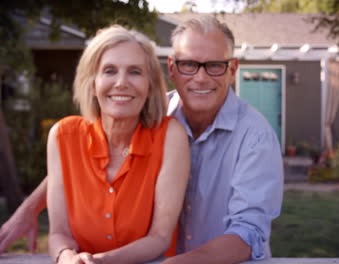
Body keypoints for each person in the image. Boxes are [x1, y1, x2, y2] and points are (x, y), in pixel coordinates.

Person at [0, 16, 283, 264]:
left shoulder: (254, 137)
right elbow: (80, 164)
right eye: (188, 65)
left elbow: (248, 233)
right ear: (171, 69)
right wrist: (32, 206)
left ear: (233, 70)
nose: (200, 77)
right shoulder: (154, 113)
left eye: (214, 66)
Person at [47, 25, 190, 263]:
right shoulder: (62, 137)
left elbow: (160, 236)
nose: (121, 83)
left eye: (135, 72)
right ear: (92, 83)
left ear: (150, 85)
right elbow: (58, 233)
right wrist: (66, 258)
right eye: (110, 71)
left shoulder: (170, 136)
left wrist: (101, 261)